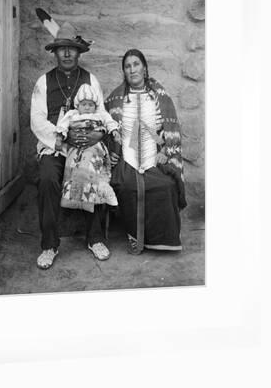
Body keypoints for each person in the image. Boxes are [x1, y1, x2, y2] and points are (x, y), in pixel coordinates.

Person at [30, 21, 112, 269]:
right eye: (61, 49)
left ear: (78, 52)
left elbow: (102, 114)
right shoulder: (43, 82)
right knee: (46, 177)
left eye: (71, 49)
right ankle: (49, 244)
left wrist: (95, 136)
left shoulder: (90, 79)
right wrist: (62, 137)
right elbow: (36, 120)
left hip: (86, 144)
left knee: (95, 172)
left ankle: (95, 238)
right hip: (55, 145)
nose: (66, 53)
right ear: (54, 52)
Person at [104, 49, 187, 254]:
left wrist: (166, 151)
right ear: (124, 71)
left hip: (154, 154)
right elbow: (105, 127)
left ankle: (162, 238)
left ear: (144, 67)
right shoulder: (115, 99)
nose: (132, 69)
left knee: (166, 185)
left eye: (136, 64)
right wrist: (112, 151)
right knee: (127, 185)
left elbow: (172, 128)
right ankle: (135, 235)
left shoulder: (160, 96)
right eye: (127, 66)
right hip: (127, 155)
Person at [55, 83, 121, 216]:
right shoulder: (72, 114)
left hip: (94, 147)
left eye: (90, 105)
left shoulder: (99, 114)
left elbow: (109, 121)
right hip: (76, 147)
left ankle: (103, 192)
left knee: (91, 169)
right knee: (74, 168)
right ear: (77, 105)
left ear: (95, 106)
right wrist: (59, 138)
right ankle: (73, 198)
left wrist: (114, 131)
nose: (87, 107)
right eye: (84, 104)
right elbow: (62, 125)